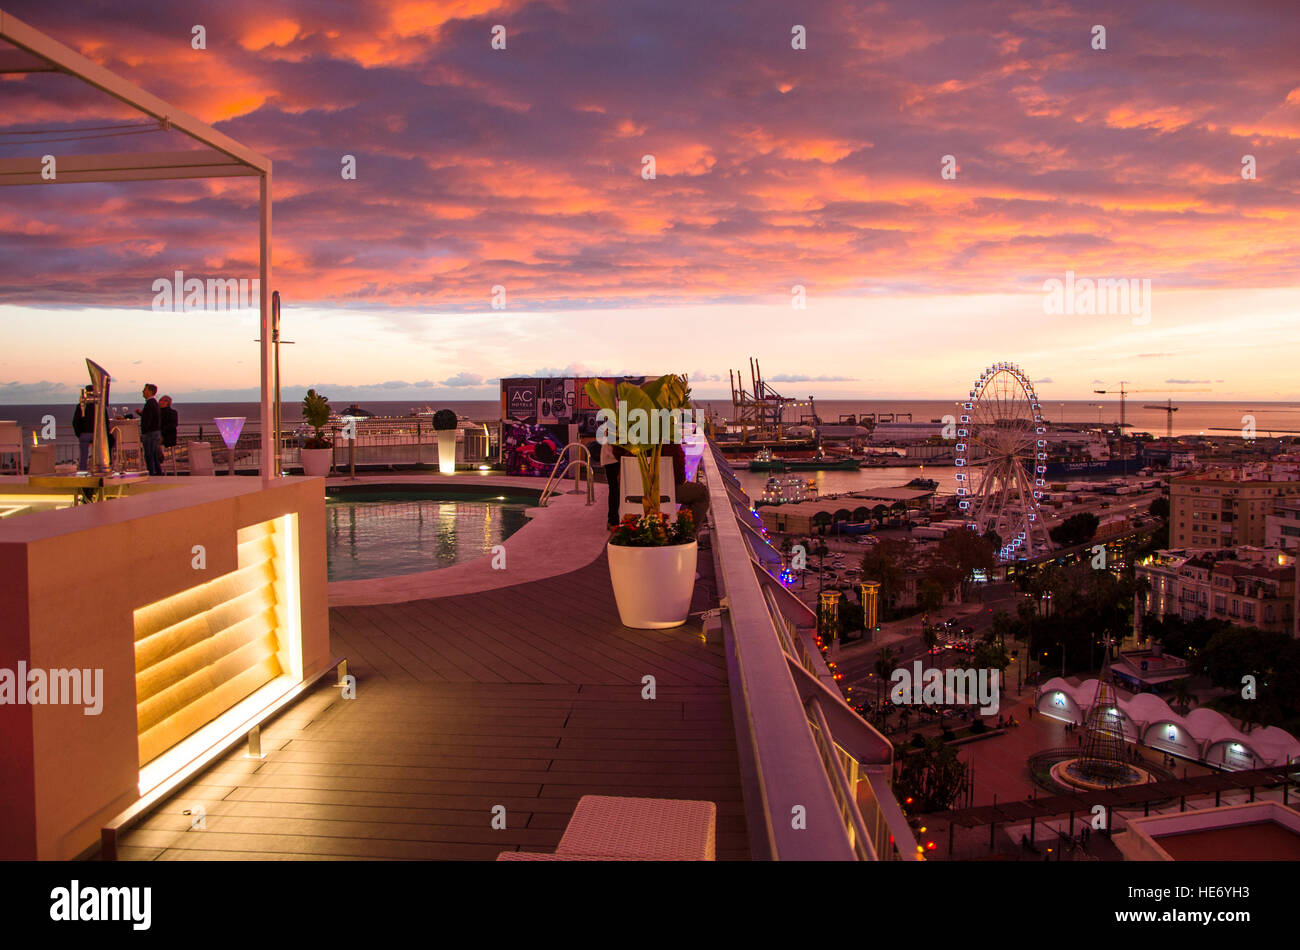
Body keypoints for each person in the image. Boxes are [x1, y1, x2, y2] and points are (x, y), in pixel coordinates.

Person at [666, 440, 709, 536]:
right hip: (664, 491)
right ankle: (686, 536)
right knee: (702, 493)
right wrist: (682, 480)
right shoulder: (667, 442)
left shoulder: (629, 440)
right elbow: (678, 463)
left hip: (631, 492)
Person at [139, 383, 163, 476]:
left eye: (145, 390)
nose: (143, 391)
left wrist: (144, 432)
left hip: (150, 434)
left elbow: (148, 420)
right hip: (154, 433)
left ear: (149, 391)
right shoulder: (154, 403)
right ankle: (157, 473)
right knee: (153, 455)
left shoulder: (150, 403)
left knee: (149, 455)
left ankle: (152, 474)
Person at [72, 385, 97, 471]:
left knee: (83, 455)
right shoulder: (98, 406)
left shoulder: (81, 406)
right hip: (96, 434)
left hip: (84, 434)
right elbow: (105, 420)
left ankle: (83, 470)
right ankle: (96, 468)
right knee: (97, 454)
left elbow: (75, 421)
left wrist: (78, 434)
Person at [159, 395, 179, 473]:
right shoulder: (157, 412)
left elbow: (173, 425)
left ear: (168, 403)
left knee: (153, 441)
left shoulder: (172, 413)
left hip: (168, 437)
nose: (161, 402)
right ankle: (157, 459)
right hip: (159, 435)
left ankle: (159, 458)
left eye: (163, 401)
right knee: (150, 440)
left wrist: (161, 431)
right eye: (160, 400)